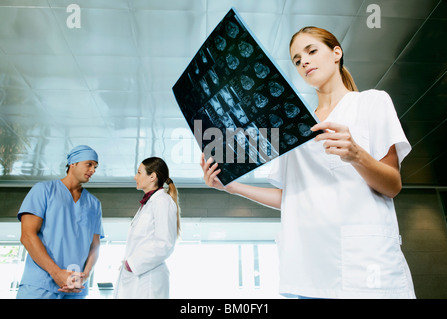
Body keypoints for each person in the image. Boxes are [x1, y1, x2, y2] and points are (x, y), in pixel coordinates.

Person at [201, 26, 416, 299]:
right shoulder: (294, 127)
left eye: (311, 51)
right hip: (305, 273)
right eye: (297, 59)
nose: (304, 61)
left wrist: (356, 155)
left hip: (362, 268)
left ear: (336, 52)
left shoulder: (371, 102)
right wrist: (232, 187)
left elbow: (392, 185)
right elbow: (290, 198)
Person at [16, 145, 104, 299]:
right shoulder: (43, 190)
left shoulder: (94, 203)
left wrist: (86, 275)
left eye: (95, 167)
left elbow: (95, 245)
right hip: (40, 285)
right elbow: (27, 236)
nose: (93, 170)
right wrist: (56, 273)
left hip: (75, 288)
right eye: (89, 164)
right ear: (73, 163)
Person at [115, 157, 180, 299]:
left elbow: (165, 244)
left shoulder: (163, 201)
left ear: (152, 176)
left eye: (139, 173)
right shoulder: (149, 204)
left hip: (148, 280)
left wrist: (132, 264)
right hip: (138, 278)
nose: (135, 177)